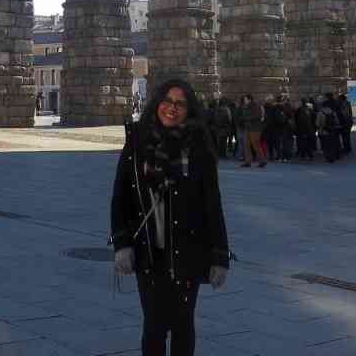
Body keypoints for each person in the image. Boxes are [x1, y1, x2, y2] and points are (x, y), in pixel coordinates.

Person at [111, 79, 231, 356]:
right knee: (153, 326)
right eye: (167, 101)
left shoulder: (200, 148)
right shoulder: (137, 144)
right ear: (156, 104)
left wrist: (220, 255)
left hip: (188, 251)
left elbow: (212, 204)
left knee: (183, 324)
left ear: (189, 110)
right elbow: (121, 198)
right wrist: (121, 244)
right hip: (149, 251)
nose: (172, 108)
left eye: (180, 104)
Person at [237, 95, 264, 168]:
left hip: (254, 128)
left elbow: (257, 116)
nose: (244, 100)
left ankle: (261, 161)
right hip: (248, 128)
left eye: (245, 99)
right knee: (247, 145)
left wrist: (246, 118)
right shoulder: (246, 106)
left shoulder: (255, 106)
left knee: (255, 145)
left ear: (249, 99)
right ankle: (248, 161)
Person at [316, 95, 342, 163]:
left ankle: (328, 157)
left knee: (325, 145)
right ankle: (333, 156)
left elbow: (317, 124)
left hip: (324, 131)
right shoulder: (332, 112)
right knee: (332, 144)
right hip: (332, 130)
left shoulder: (320, 113)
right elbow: (336, 121)